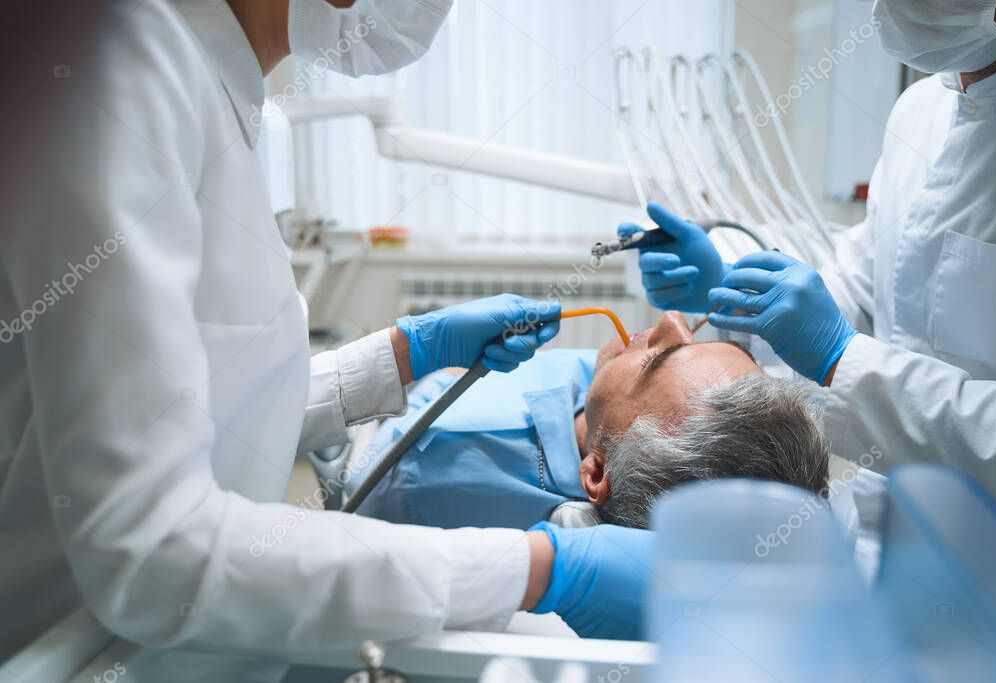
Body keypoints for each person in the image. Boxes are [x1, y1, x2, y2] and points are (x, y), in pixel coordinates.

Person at [0, 0, 649, 677]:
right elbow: (152, 551)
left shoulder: (214, 83)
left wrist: (405, 353)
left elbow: (186, 397)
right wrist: (535, 568)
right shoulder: (121, 66)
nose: (665, 325)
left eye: (668, 351)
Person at [624, 0, 996, 522]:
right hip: (888, 530)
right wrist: (731, 290)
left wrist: (842, 358)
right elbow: (871, 293)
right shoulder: (920, 109)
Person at [349, 311, 830, 531]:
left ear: (597, 473)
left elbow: (368, 482)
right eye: (698, 341)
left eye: (654, 361)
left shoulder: (425, 475)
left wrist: (409, 358)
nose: (671, 319)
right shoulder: (612, 397)